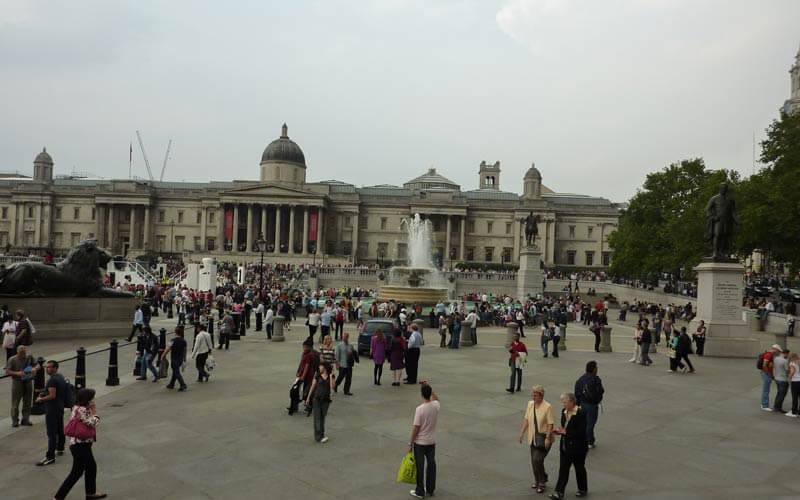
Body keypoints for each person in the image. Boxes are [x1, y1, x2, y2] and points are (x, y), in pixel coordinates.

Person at [53, 388, 107, 500]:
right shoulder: (82, 409)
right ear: (87, 399)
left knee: (91, 467)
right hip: (80, 445)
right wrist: (95, 411)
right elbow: (92, 423)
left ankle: (90, 493)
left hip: (81, 444)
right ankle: (58, 497)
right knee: (76, 472)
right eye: (92, 398)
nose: (93, 400)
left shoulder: (77, 407)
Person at [549, 393, 588, 499]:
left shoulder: (580, 413)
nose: (563, 404)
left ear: (572, 402)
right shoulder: (564, 411)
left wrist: (565, 432)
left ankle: (582, 489)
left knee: (579, 468)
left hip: (578, 448)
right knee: (563, 469)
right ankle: (559, 492)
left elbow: (581, 432)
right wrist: (559, 431)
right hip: (565, 446)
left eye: (565, 402)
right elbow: (564, 426)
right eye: (563, 402)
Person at [518, 385, 554, 494]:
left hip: (543, 438)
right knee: (534, 462)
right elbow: (527, 420)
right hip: (533, 438)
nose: (533, 397)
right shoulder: (530, 404)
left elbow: (550, 424)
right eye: (532, 395)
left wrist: (548, 438)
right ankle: (537, 480)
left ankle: (542, 481)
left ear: (541, 396)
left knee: (537, 459)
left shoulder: (547, 407)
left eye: (535, 395)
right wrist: (522, 433)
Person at [408, 382, 439, 499]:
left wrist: (410, 442)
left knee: (420, 466)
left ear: (421, 395)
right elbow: (437, 399)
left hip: (420, 443)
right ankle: (430, 488)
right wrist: (430, 388)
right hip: (431, 441)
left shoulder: (420, 409)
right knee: (431, 464)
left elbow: (416, 427)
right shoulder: (435, 406)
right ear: (430, 394)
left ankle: (420, 490)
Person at [34, 360, 67, 466]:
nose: (47, 369)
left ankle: (50, 456)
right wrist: (45, 392)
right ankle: (60, 447)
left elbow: (52, 395)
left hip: (52, 409)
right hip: (60, 407)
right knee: (60, 429)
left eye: (50, 367)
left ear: (55, 368)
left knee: (51, 433)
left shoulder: (52, 380)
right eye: (46, 367)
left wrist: (40, 399)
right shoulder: (60, 377)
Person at [4, 345, 39, 427]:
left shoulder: (29, 357)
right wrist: (17, 373)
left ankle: (26, 419)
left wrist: (35, 369)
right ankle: (15, 420)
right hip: (17, 382)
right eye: (21, 353)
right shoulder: (12, 359)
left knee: (27, 402)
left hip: (28, 381)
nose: (23, 355)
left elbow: (37, 365)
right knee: (15, 402)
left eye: (24, 353)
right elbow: (7, 371)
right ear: (17, 352)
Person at [574, 361, 604, 449]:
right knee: (590, 424)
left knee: (584, 423)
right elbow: (601, 391)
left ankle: (583, 439)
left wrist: (578, 404)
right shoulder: (596, 379)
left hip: (582, 404)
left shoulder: (580, 379)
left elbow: (576, 392)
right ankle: (589, 441)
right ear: (594, 369)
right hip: (592, 405)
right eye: (596, 367)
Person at [305, 361, 334, 443]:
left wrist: (331, 377)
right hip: (317, 399)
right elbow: (312, 386)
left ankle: (322, 434)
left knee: (322, 417)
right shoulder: (317, 376)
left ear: (324, 367)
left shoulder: (330, 376)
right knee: (317, 417)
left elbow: (332, 387)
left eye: (320, 366)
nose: (319, 368)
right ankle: (318, 437)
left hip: (326, 400)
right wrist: (308, 398)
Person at [759, 344, 781, 411]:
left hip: (766, 373)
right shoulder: (769, 355)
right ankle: (765, 405)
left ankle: (764, 404)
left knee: (766, 389)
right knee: (766, 390)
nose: (778, 352)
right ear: (775, 349)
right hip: (766, 374)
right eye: (778, 351)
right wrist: (769, 374)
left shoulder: (770, 355)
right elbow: (764, 365)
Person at [773, 349, 790, 413]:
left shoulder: (776, 358)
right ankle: (778, 408)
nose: (788, 356)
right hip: (783, 379)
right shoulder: (785, 361)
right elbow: (787, 370)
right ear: (786, 353)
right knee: (782, 394)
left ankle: (776, 407)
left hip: (777, 378)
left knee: (778, 393)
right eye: (788, 354)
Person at [787, 352, 800, 418]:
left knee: (795, 397)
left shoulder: (792, 363)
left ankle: (794, 412)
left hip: (795, 381)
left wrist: (789, 378)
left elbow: (792, 372)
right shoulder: (798, 362)